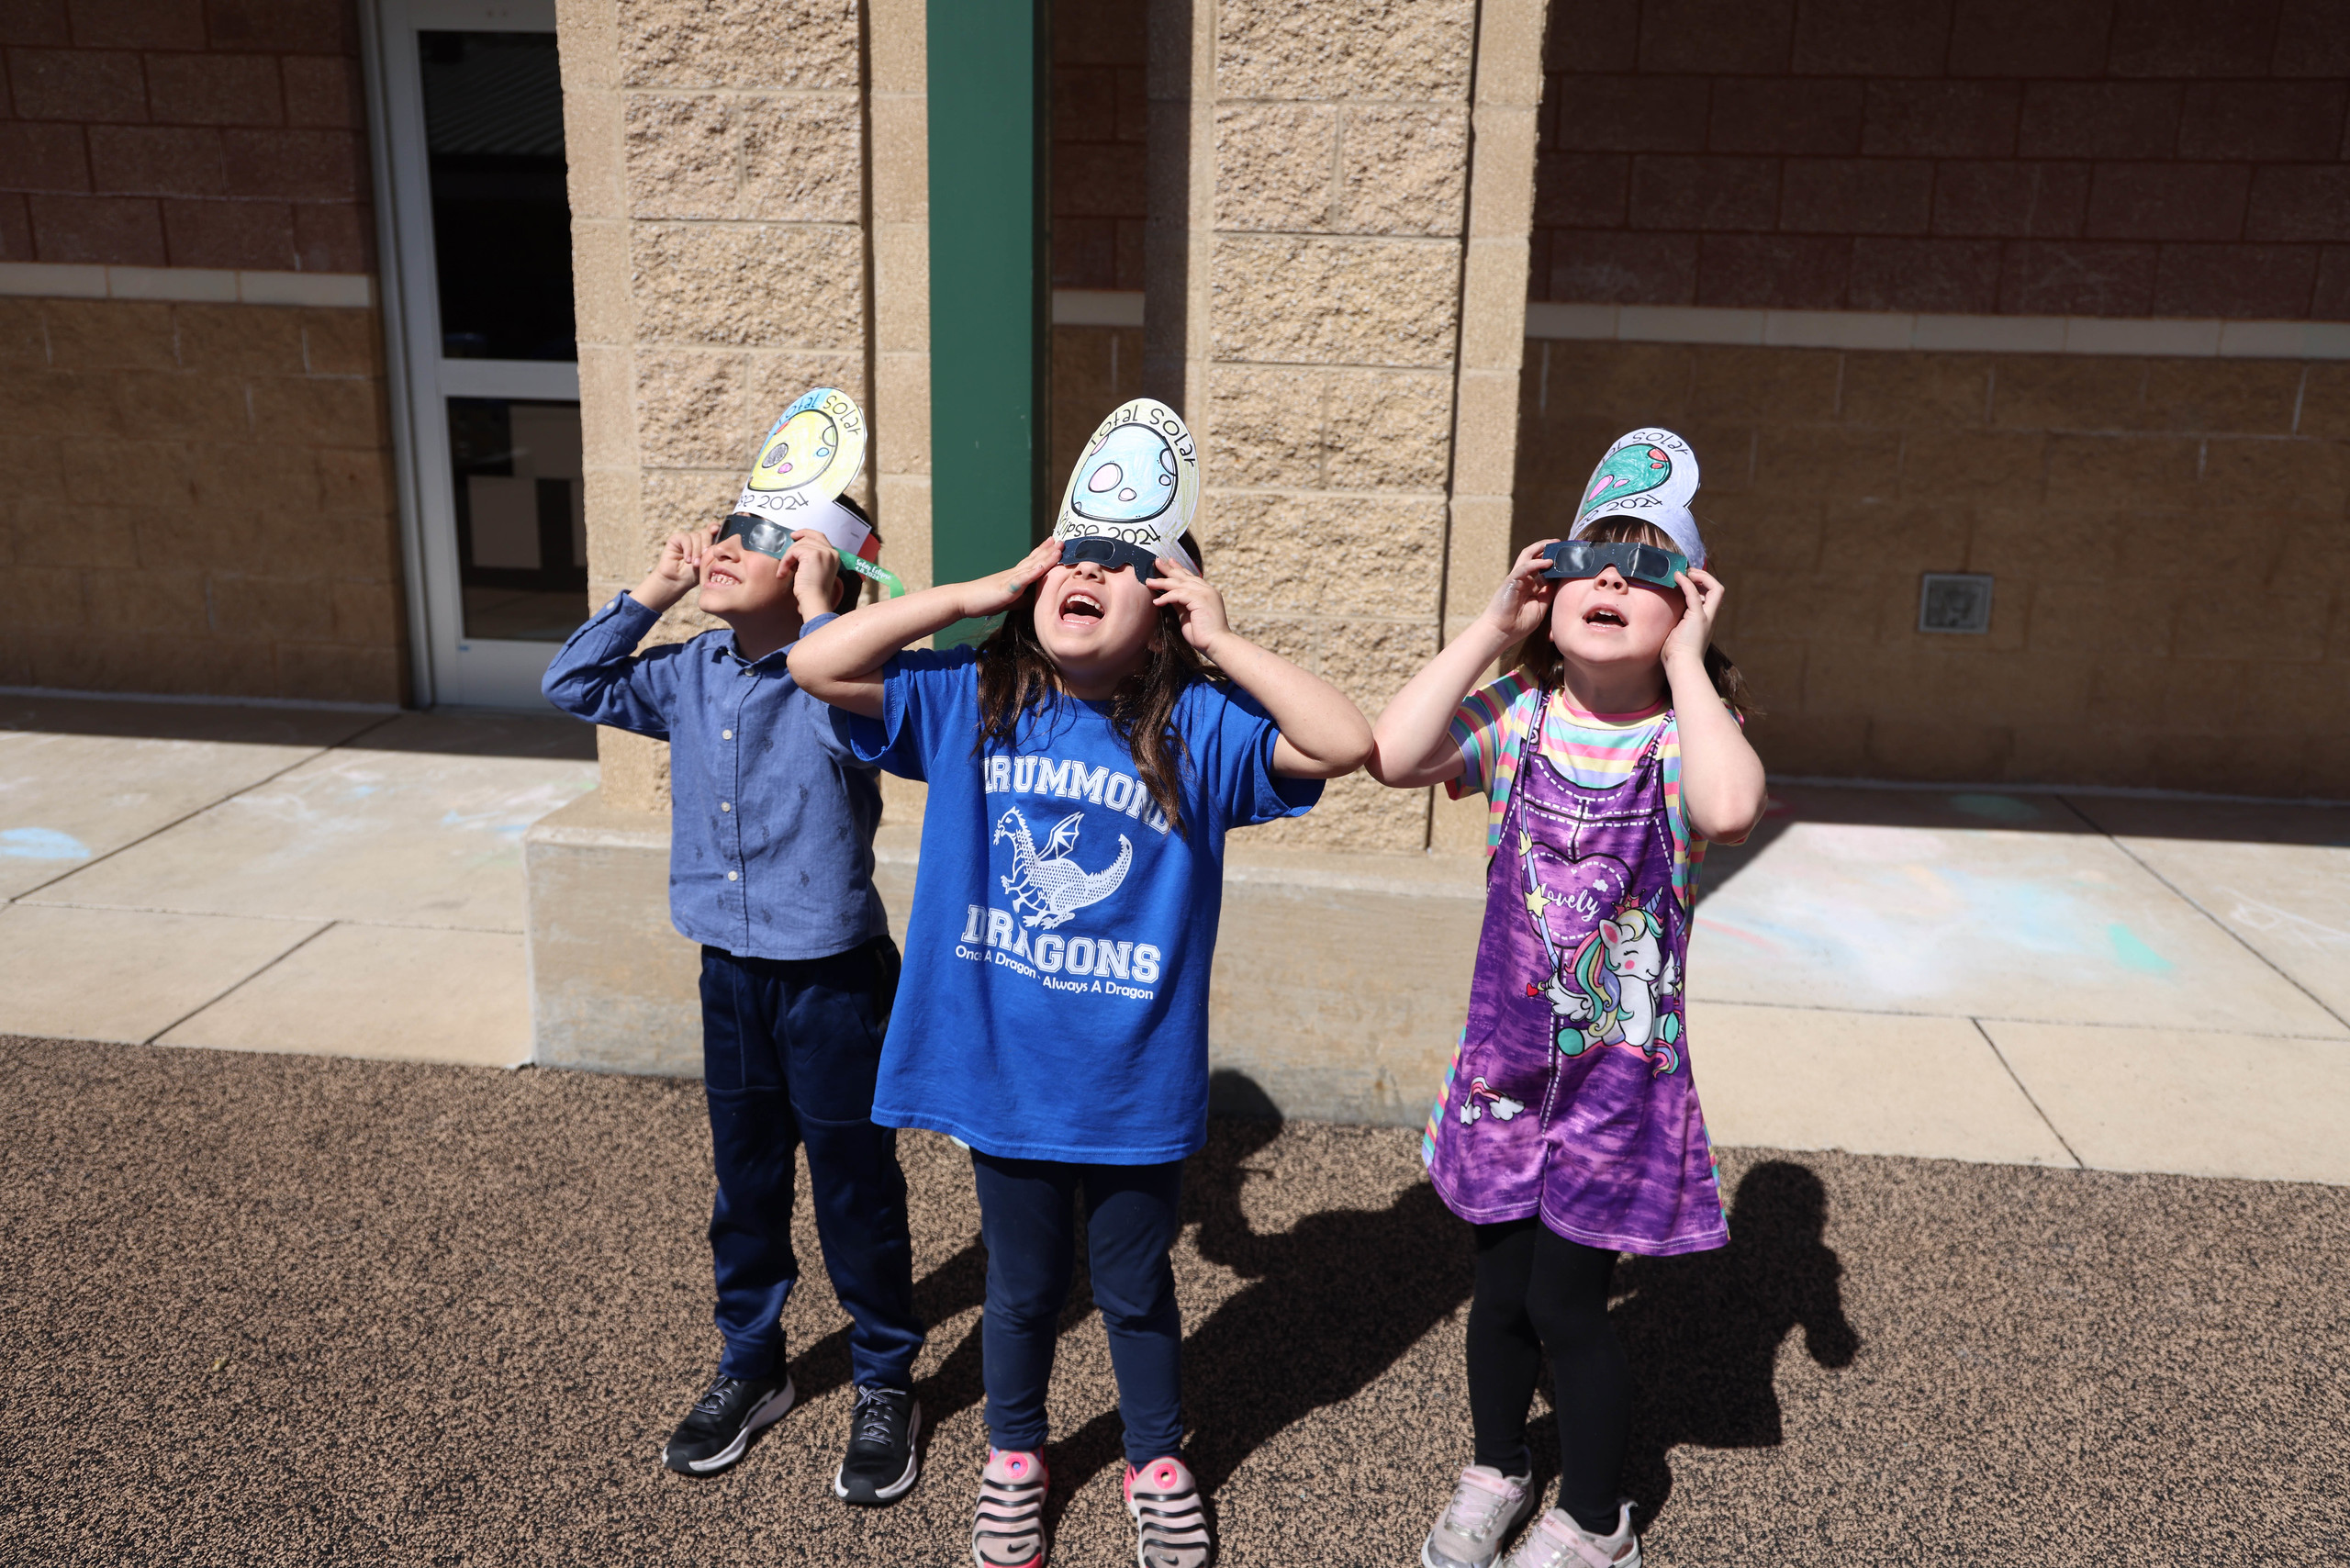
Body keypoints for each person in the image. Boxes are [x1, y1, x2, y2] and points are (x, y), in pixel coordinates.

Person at [789, 527, 1371, 1568]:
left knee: (1135, 1288)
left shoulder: (1199, 724)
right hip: (1004, 1077)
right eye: (1072, 555)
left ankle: (1156, 1465)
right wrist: (980, 585)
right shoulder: (973, 699)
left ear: (1164, 620)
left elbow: (1341, 742)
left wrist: (1224, 644)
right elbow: (817, 661)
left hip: (1132, 1084)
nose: (1090, 571)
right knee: (1019, 1290)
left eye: (1128, 565)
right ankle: (1014, 1458)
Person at [1366, 429, 1767, 1568]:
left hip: (1614, 1089)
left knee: (1567, 1306)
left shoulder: (1686, 739)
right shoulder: (1513, 717)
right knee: (1496, 1296)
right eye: (1591, 560)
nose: (1611, 582)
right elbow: (1395, 755)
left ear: (1683, 608)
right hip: (1504, 1074)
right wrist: (1493, 627)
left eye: (1647, 573)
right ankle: (1497, 1465)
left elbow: (1732, 809)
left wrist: (1692, 666)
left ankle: (1597, 1516)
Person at [541, 494, 927, 1506]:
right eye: (723, 526)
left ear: (815, 569)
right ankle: (752, 1363)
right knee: (745, 1187)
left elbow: (906, 701)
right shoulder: (684, 674)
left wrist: (817, 615)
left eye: (757, 537)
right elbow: (570, 679)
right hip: (730, 977)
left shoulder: (842, 678)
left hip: (835, 983)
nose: (720, 546)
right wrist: (652, 592)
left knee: (854, 1190)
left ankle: (886, 1377)